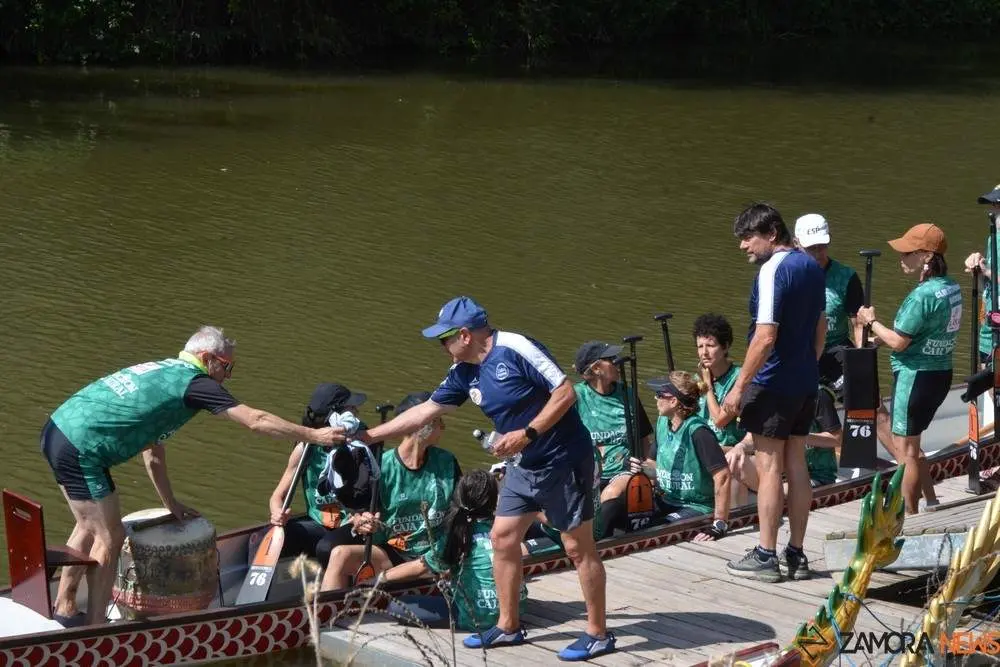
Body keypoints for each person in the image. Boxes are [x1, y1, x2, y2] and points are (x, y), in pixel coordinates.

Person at [357, 296, 614, 661]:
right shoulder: (463, 371)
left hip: (563, 459)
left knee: (577, 547)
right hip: (523, 467)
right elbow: (426, 410)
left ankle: (598, 634)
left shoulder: (515, 348)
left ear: (464, 335)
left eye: (443, 339)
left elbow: (566, 392)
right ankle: (509, 626)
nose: (441, 347)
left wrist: (527, 433)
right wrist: (370, 436)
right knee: (502, 538)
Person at [40, 325, 345, 627]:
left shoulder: (165, 372)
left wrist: (170, 501)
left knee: (88, 525)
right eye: (226, 367)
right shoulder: (194, 384)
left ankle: (66, 604)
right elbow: (255, 420)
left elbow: (153, 454)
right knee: (110, 536)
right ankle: (95, 629)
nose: (227, 376)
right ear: (206, 357)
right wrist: (313, 435)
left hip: (58, 429)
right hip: (82, 448)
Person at [721, 203, 826, 583]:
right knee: (797, 465)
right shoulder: (813, 267)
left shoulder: (772, 270)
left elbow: (765, 336)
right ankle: (796, 555)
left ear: (771, 234)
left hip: (772, 381)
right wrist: (808, 367)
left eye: (748, 237)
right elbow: (821, 326)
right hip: (804, 381)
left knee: (769, 468)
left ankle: (766, 554)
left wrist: (739, 386)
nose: (743, 246)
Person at [856, 223, 961, 514]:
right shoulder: (951, 287)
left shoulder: (921, 296)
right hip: (940, 374)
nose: (902, 258)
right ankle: (931, 500)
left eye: (907, 253)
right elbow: (923, 332)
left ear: (927, 256)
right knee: (914, 445)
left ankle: (908, 518)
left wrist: (870, 321)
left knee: (906, 453)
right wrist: (882, 337)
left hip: (914, 377)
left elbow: (900, 343)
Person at [320, 391, 460, 591]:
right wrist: (362, 521)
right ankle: (326, 617)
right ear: (422, 426)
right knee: (340, 555)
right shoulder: (380, 465)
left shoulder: (446, 461)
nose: (443, 427)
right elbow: (358, 510)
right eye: (438, 421)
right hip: (393, 550)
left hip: (433, 553)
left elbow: (458, 513)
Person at [376, 469, 529, 634]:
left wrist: (381, 577)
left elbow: (421, 567)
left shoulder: (459, 534)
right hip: (517, 610)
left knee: (396, 606)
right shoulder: (505, 529)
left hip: (475, 617)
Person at [268, 383, 368, 563]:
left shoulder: (360, 448)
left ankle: (332, 586)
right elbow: (277, 497)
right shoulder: (305, 448)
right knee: (278, 538)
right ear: (335, 416)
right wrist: (277, 513)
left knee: (326, 548)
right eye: (351, 408)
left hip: (352, 524)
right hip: (320, 522)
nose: (357, 413)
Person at [571, 341, 653, 535]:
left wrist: (646, 469)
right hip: (589, 473)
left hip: (624, 470)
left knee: (610, 494)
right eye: (611, 359)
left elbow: (643, 438)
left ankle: (595, 541)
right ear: (597, 368)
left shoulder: (628, 394)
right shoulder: (575, 396)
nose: (618, 362)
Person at [646, 372, 731, 542]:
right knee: (627, 516)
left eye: (659, 395)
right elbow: (653, 464)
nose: (655, 399)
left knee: (655, 528)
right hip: (667, 499)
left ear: (673, 401)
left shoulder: (699, 432)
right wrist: (637, 468)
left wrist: (719, 523)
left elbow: (723, 476)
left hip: (697, 506)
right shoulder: (662, 423)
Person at [794, 214, 865, 393]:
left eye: (822, 246)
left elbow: (858, 324)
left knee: (866, 398)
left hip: (836, 349)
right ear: (796, 243)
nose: (818, 253)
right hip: (800, 353)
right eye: (811, 248)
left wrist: (863, 362)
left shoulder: (847, 277)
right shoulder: (786, 276)